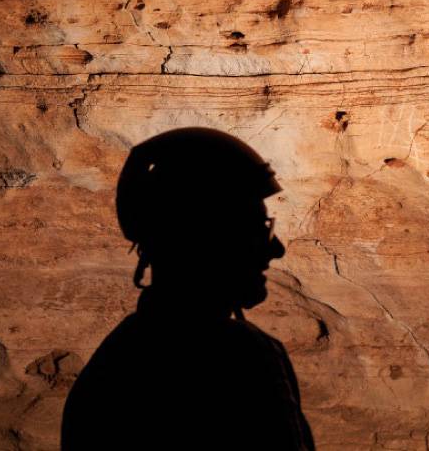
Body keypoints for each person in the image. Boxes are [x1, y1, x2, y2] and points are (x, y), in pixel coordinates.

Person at [62, 128, 314, 450]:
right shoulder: (243, 359)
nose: (276, 249)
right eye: (256, 229)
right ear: (207, 237)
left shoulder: (109, 368)